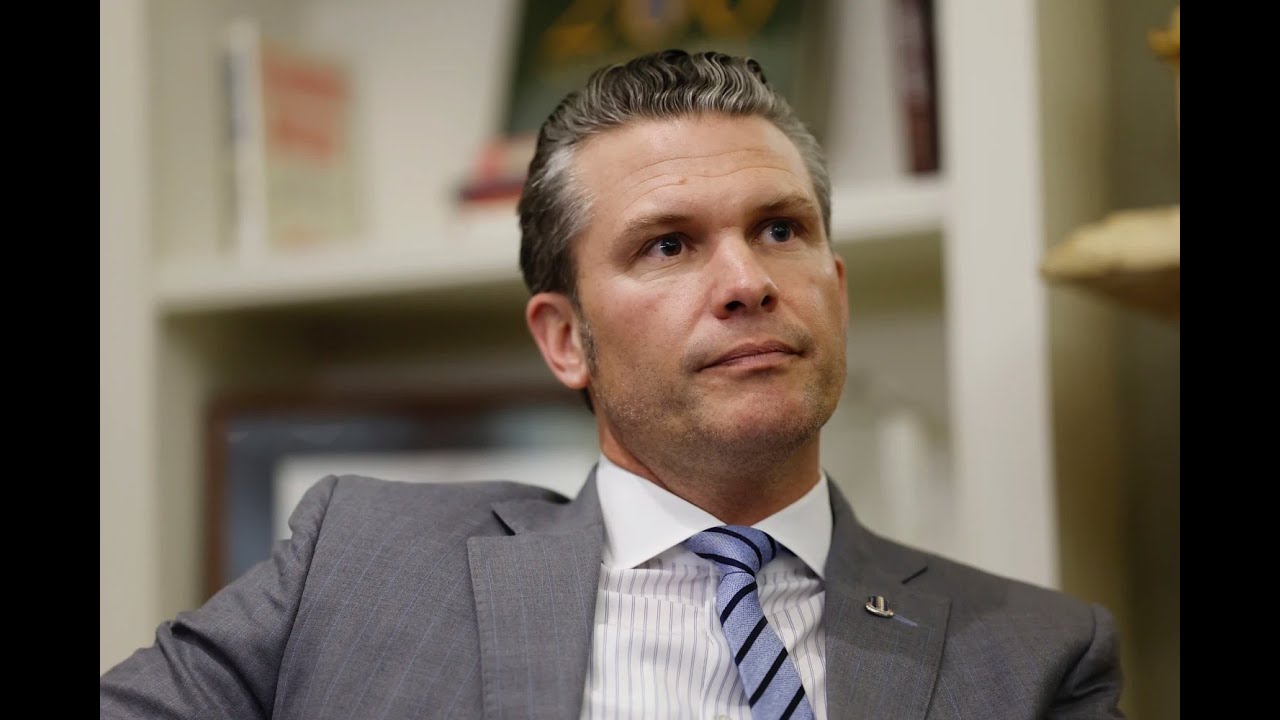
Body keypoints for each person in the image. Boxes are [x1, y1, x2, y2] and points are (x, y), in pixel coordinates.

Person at [100, 49, 1124, 719]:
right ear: (565, 340)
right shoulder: (359, 565)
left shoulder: (1033, 658)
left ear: (836, 290)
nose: (747, 282)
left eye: (780, 229)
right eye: (668, 245)